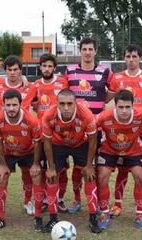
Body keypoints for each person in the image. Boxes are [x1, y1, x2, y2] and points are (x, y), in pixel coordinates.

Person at [107, 45, 142, 217]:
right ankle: (117, 204)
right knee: (122, 170)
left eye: (135, 56)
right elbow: (107, 96)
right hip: (121, 133)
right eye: (128, 56)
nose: (131, 59)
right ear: (124, 58)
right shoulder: (117, 78)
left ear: (140, 58)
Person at [64, 37, 114, 213]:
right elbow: (63, 95)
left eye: (90, 49)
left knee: (96, 168)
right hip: (75, 128)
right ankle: (77, 200)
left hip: (97, 128)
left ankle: (99, 203)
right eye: (84, 49)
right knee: (79, 167)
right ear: (80, 51)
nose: (87, 52)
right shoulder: (69, 71)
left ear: (95, 51)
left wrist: (98, 102)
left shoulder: (105, 71)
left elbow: (112, 92)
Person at [41, 89, 101, 234]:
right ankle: (53, 217)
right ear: (57, 104)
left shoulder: (86, 114)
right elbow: (47, 143)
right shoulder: (49, 115)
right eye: (62, 104)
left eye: (69, 104)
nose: (66, 108)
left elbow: (93, 140)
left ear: (75, 104)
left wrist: (89, 165)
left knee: (89, 175)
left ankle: (93, 218)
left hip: (81, 144)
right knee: (52, 176)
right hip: (58, 144)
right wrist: (50, 167)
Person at [0, 89, 44, 231]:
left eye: (14, 105)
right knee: (0, 177)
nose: (11, 108)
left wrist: (36, 164)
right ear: (3, 105)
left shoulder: (32, 121)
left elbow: (38, 143)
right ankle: (0, 218)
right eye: (8, 105)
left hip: (30, 151)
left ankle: (37, 216)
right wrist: (3, 165)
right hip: (9, 152)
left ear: (20, 104)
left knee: (36, 176)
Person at [0, 55, 37, 215]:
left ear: (20, 70)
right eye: (9, 69)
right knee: (1, 174)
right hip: (5, 139)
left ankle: (28, 201)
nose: (12, 72)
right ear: (5, 71)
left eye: (16, 69)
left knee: (28, 173)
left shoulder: (30, 87)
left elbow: (40, 103)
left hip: (26, 138)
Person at [96, 90, 142, 230]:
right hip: (109, 150)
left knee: (140, 176)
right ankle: (103, 212)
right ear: (115, 106)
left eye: (127, 107)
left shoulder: (141, 115)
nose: (124, 111)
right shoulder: (104, 117)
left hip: (133, 150)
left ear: (133, 106)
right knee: (102, 176)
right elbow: (90, 128)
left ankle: (140, 215)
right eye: (121, 107)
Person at [33, 53, 69, 213]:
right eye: (44, 66)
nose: (47, 69)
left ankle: (59, 198)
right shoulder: (35, 85)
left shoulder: (62, 83)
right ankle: (46, 199)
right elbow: (32, 102)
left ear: (54, 68)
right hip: (42, 135)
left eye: (50, 66)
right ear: (40, 67)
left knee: (61, 169)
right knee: (42, 169)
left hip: (60, 135)